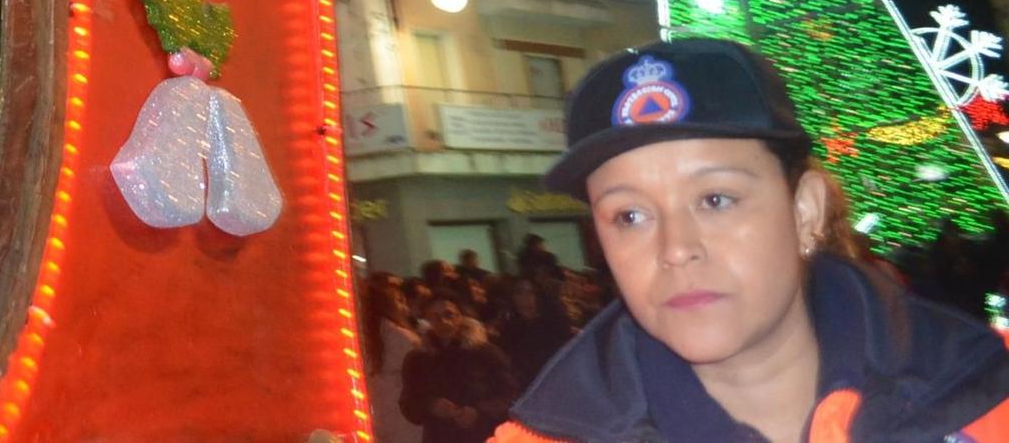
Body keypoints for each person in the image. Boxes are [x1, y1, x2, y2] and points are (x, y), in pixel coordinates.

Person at [491, 39, 1009, 443]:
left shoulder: (986, 391)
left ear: (805, 210)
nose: (675, 249)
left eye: (715, 199)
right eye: (629, 215)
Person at [401, 294, 519, 443]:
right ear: (428, 321)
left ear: (460, 317)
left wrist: (478, 411)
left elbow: (511, 396)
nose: (443, 322)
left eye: (449, 314)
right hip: (439, 436)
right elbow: (408, 402)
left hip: (483, 435)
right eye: (435, 317)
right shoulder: (418, 359)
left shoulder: (485, 354)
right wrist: (431, 405)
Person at [366, 278, 426, 443]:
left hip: (377, 419)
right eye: (400, 301)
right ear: (388, 305)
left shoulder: (363, 340)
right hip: (405, 418)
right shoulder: (403, 338)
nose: (405, 308)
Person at [491, 276, 573, 391]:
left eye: (531, 292)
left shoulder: (555, 326)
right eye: (519, 292)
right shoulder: (509, 328)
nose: (525, 298)